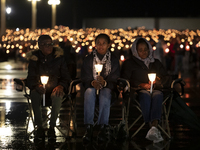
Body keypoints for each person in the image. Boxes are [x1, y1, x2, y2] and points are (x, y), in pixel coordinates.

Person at [121, 37, 171, 143]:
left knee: (157, 95)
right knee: (145, 95)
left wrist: (158, 81)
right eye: (140, 50)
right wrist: (140, 84)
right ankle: (152, 127)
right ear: (135, 51)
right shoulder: (130, 63)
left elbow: (166, 77)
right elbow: (125, 79)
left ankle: (153, 127)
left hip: (156, 89)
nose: (143, 52)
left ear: (149, 49)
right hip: (138, 91)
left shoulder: (156, 63)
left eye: (145, 49)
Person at [26, 35, 71, 141]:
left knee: (57, 95)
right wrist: (36, 86)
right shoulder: (34, 59)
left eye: (51, 44)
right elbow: (30, 78)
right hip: (39, 89)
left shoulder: (58, 58)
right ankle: (39, 127)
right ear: (39, 46)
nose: (49, 47)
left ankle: (52, 127)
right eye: (46, 44)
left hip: (55, 88)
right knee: (34, 94)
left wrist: (61, 86)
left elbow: (66, 77)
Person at [81, 33, 120, 144]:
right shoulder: (89, 59)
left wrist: (105, 82)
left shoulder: (113, 59)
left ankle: (103, 126)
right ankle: (89, 127)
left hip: (108, 89)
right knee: (89, 92)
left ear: (108, 45)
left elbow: (115, 77)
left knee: (106, 92)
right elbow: (85, 76)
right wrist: (92, 82)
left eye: (104, 43)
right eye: (98, 43)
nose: (101, 46)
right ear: (95, 44)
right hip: (92, 88)